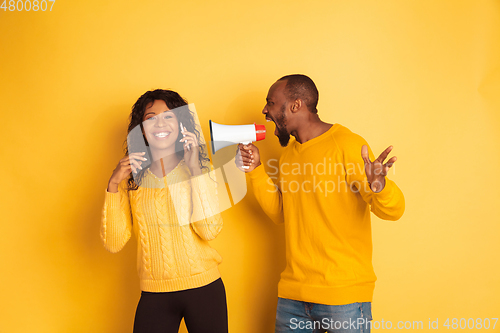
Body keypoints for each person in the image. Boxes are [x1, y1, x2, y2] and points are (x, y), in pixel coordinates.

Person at [236, 74, 405, 333]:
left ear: (296, 105)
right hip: (292, 296)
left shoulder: (347, 145)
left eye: (271, 102)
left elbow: (394, 211)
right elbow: (282, 213)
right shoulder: (289, 155)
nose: (265, 111)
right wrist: (256, 169)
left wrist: (379, 186)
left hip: (343, 298)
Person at [100, 89, 228, 333]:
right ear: (142, 129)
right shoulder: (132, 180)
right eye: (150, 117)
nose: (160, 123)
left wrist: (195, 172)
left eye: (169, 116)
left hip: (204, 288)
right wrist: (113, 184)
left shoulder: (199, 168)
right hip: (155, 292)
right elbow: (114, 243)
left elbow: (210, 230)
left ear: (181, 124)